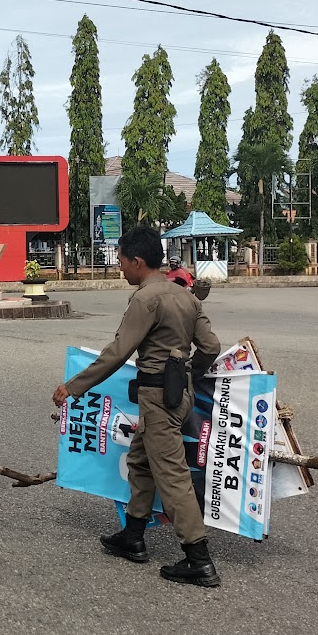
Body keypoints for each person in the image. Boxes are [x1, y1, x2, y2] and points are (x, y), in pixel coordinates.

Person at [52, 226, 222, 587]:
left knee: (172, 475)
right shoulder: (187, 297)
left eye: (123, 262)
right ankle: (133, 536)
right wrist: (189, 374)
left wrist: (73, 387)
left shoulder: (146, 300)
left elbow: (118, 353)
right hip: (178, 397)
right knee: (141, 462)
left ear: (138, 261)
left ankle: (199, 559)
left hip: (158, 400)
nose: (120, 269)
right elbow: (209, 346)